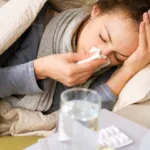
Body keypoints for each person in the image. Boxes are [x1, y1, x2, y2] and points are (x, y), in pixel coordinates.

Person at [0, 0, 150, 113]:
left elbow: (78, 128)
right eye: (103, 37)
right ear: (95, 12)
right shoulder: (31, 26)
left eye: (118, 56)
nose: (100, 55)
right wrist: (39, 69)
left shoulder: (109, 71)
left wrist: (127, 71)